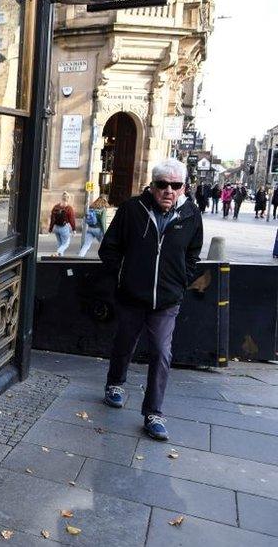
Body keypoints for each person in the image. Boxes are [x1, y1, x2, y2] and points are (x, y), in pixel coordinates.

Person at [98, 158, 203, 441]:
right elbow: (109, 248)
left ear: (183, 188)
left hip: (167, 300)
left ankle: (154, 413)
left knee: (161, 351)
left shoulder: (191, 214)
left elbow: (193, 254)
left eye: (175, 185)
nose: (169, 190)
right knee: (125, 342)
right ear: (153, 185)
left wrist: (181, 280)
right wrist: (121, 276)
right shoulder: (132, 209)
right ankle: (115, 384)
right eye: (163, 184)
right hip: (132, 295)